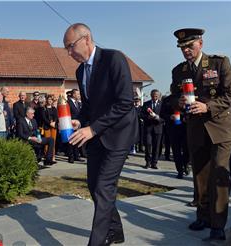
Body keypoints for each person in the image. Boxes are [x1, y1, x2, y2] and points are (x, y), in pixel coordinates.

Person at [64, 23, 138, 246]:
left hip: (119, 134)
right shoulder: (80, 71)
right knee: (93, 184)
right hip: (95, 134)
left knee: (104, 186)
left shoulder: (113, 59)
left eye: (70, 46)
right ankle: (115, 230)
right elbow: (89, 106)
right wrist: (81, 121)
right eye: (66, 48)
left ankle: (97, 241)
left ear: (86, 39)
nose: (68, 53)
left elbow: (125, 102)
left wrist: (92, 128)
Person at [170, 28, 231, 241]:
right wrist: (179, 102)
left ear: (200, 42)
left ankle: (217, 224)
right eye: (182, 48)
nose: (186, 51)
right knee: (200, 176)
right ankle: (203, 216)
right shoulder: (179, 71)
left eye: (190, 46)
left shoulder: (219, 63)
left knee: (218, 175)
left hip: (220, 129)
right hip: (196, 130)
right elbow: (172, 96)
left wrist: (207, 107)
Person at [141, 89, 164, 169]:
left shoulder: (162, 104)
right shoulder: (146, 104)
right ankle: (147, 162)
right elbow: (141, 115)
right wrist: (148, 117)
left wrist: (158, 118)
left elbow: (164, 117)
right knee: (148, 145)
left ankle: (154, 163)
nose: (155, 97)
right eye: (153, 95)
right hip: (148, 128)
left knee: (156, 146)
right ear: (151, 95)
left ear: (159, 96)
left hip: (158, 128)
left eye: (156, 96)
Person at [67, 89, 84, 163]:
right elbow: (67, 114)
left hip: (78, 125)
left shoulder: (78, 103)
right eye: (77, 94)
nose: (78, 95)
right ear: (73, 94)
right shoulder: (68, 103)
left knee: (77, 140)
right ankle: (71, 157)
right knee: (71, 141)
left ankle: (77, 156)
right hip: (71, 125)